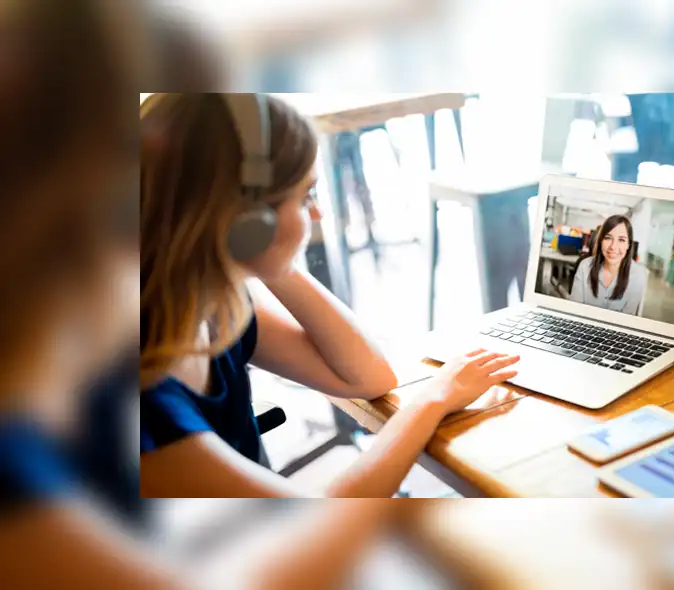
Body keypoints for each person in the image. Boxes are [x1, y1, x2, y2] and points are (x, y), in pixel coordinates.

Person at [139, 92, 520, 499]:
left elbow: (367, 376)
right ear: (245, 218)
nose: (318, 215)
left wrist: (274, 259)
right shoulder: (140, 392)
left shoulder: (217, 304)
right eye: (305, 197)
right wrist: (435, 397)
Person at [569, 215, 647, 315]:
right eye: (608, 238)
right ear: (601, 241)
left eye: (621, 240)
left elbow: (627, 320)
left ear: (629, 245)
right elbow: (574, 310)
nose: (613, 247)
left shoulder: (638, 275)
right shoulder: (585, 266)